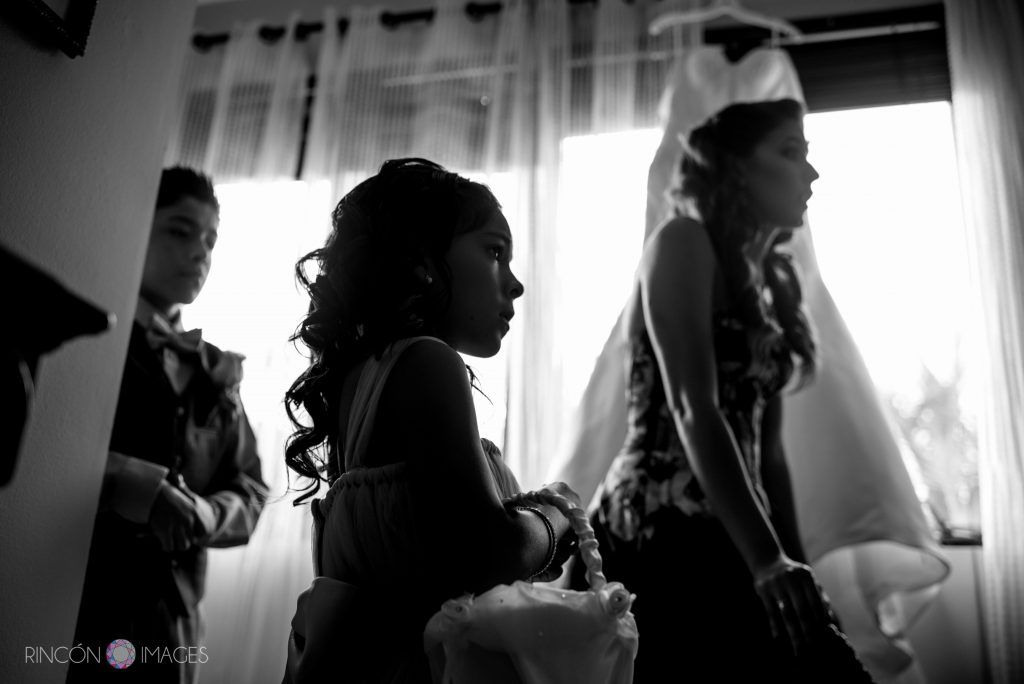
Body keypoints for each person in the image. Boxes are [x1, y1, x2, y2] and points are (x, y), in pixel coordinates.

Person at [571, 99, 872, 682]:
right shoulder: (681, 241)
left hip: (733, 523)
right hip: (659, 529)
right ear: (734, 166)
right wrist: (764, 560)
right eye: (791, 152)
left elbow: (770, 452)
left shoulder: (772, 283)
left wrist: (791, 561)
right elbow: (692, 406)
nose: (811, 174)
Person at [282, 158, 581, 683]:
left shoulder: (362, 380)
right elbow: (492, 552)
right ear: (422, 260)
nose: (515, 286)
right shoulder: (425, 362)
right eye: (494, 251)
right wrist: (557, 514)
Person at [69, 167, 268, 684]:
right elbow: (51, 455)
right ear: (135, 226)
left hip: (176, 622)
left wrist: (206, 514)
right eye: (181, 231)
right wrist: (132, 485)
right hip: (80, 604)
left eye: (210, 240)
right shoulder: (88, 341)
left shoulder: (215, 369)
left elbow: (249, 489)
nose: (200, 252)